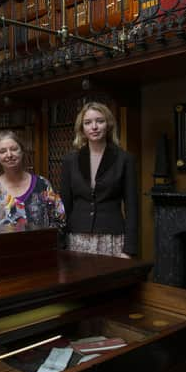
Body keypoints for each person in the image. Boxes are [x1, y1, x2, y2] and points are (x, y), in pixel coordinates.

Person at [60, 102, 138, 258]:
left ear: (108, 124)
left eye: (99, 121)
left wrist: (129, 249)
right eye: (88, 123)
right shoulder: (70, 160)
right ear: (82, 128)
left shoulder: (124, 159)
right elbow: (64, 206)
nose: (94, 127)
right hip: (76, 238)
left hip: (111, 239)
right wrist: (61, 242)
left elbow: (132, 207)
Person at [0, 130, 65, 228]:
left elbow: (60, 218)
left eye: (14, 149)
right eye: (3, 151)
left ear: (22, 151)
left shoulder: (42, 184)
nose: (9, 155)